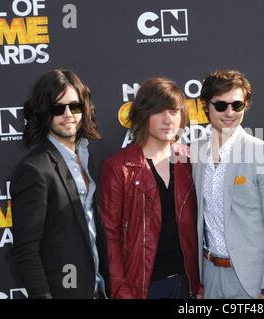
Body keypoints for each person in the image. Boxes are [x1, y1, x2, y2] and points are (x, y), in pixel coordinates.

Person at [190, 70, 264, 299]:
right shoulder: (195, 152)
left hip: (252, 282)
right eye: (221, 105)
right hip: (209, 278)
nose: (230, 113)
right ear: (205, 106)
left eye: (237, 105)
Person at [99, 77, 201, 299]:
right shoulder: (118, 167)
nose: (168, 120)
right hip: (145, 288)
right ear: (144, 115)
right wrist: (120, 290)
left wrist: (200, 285)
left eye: (174, 111)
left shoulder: (190, 161)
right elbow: (109, 235)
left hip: (188, 285)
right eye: (159, 111)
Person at [10, 69, 109, 299]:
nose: (68, 114)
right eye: (58, 108)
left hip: (98, 289)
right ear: (45, 113)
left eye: (74, 106)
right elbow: (26, 251)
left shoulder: (86, 157)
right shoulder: (34, 170)